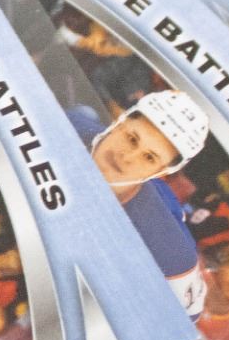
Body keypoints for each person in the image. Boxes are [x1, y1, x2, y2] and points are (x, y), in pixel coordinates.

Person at [66, 90, 211, 316]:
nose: (126, 158)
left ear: (161, 171)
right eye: (132, 139)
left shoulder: (169, 251)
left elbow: (187, 315)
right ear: (119, 123)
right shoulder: (65, 125)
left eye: (149, 157)